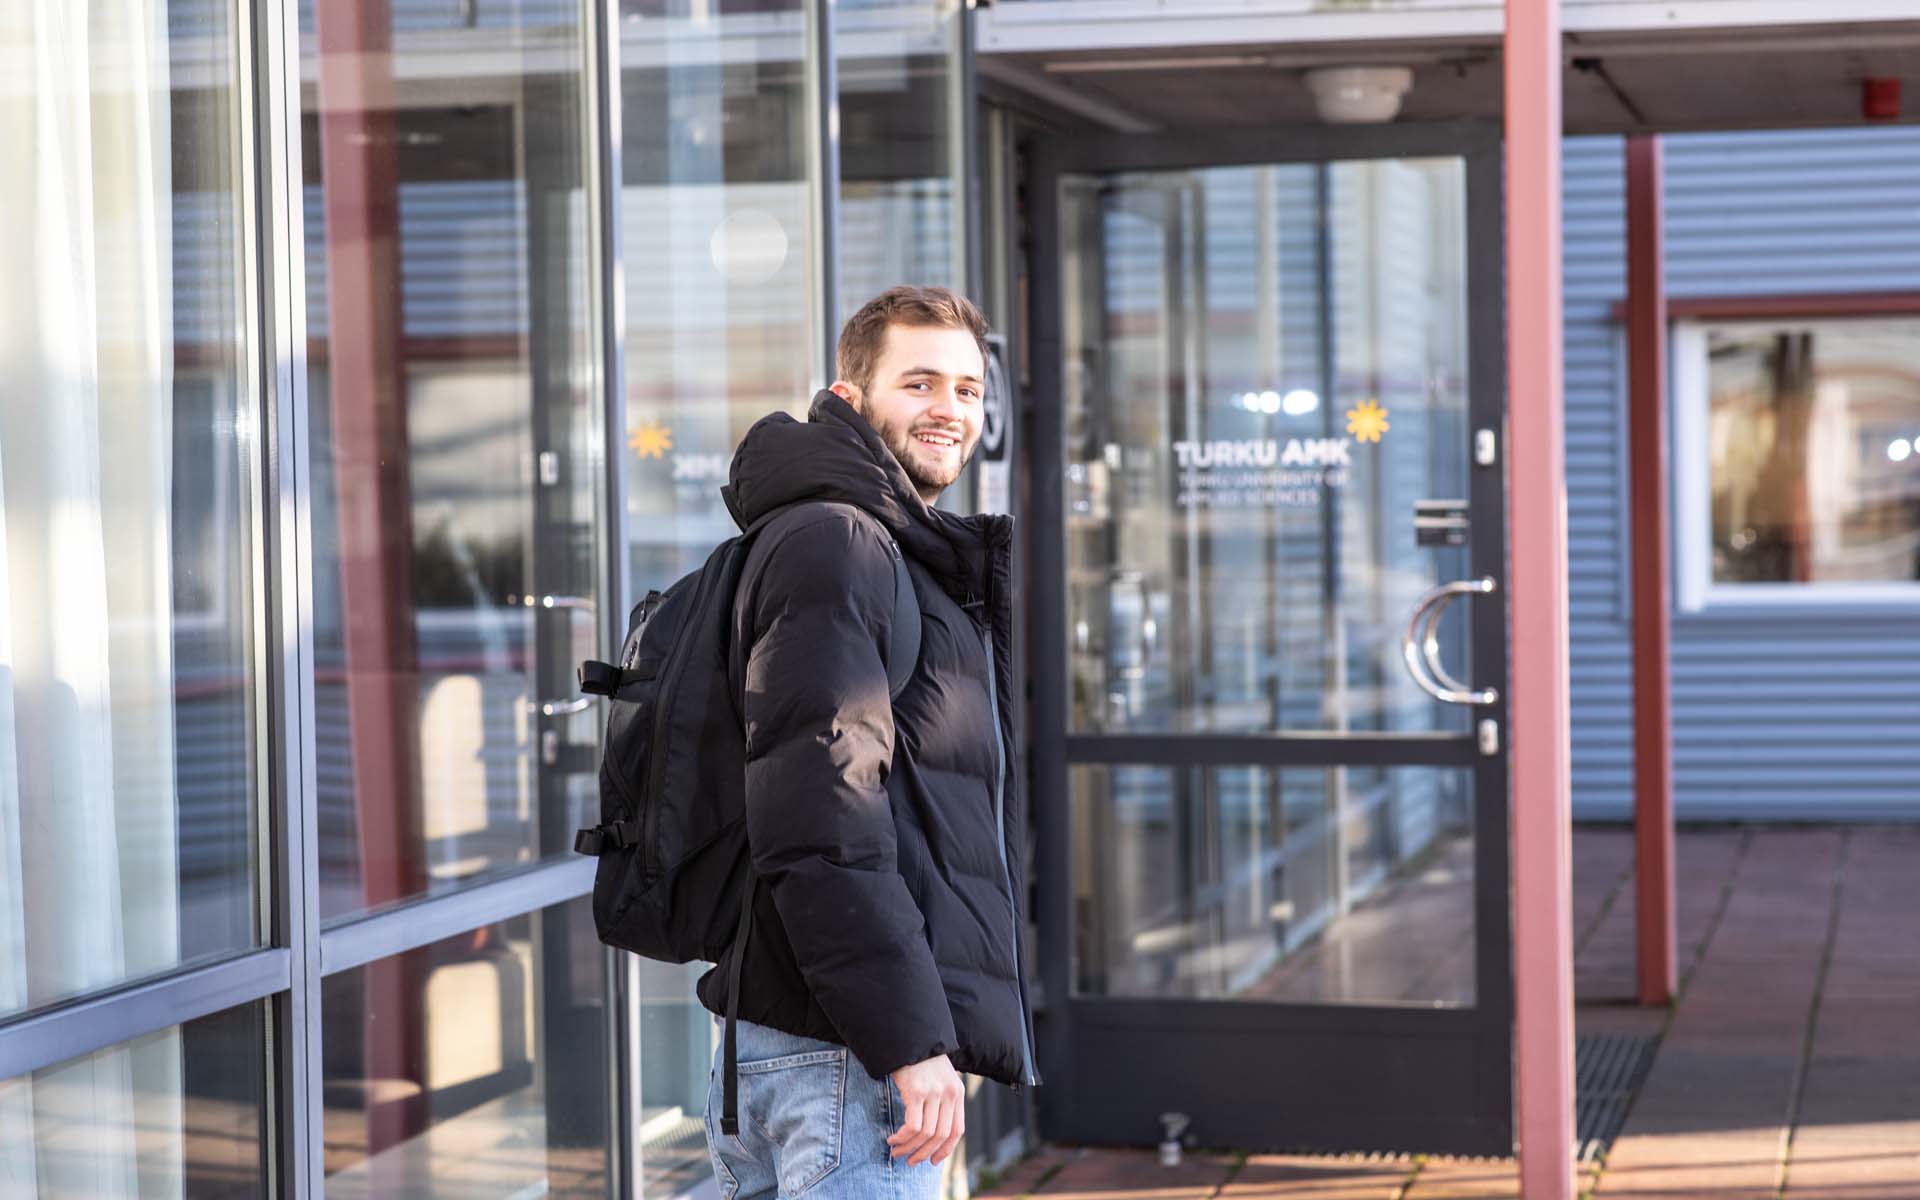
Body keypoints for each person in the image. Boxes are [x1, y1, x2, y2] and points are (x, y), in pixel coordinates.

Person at [699, 286, 1038, 1200]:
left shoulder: (873, 543)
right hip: (848, 1059)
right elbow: (822, 815)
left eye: (968, 390)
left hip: (809, 1040)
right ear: (849, 398)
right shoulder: (841, 543)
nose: (949, 409)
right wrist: (908, 1040)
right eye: (919, 383)